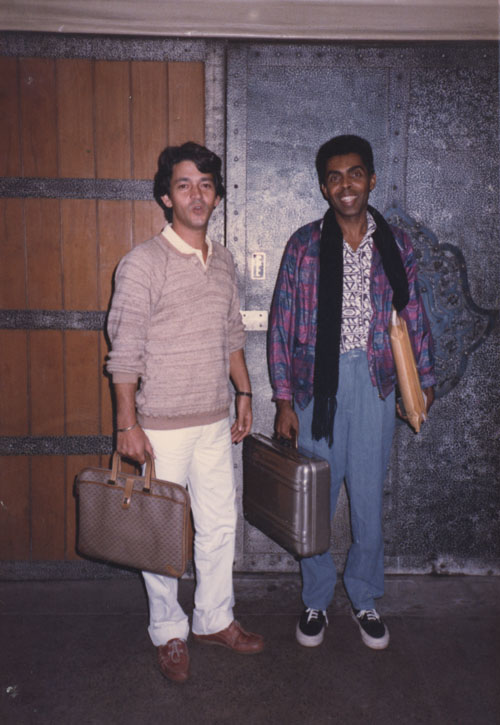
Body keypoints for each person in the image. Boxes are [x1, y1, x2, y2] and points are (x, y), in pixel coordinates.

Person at [268, 135, 435, 650]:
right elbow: (281, 324)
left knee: (366, 500)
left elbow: (412, 313)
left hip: (375, 381)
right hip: (316, 386)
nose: (346, 185)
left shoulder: (396, 245)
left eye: (355, 174)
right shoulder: (303, 245)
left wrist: (423, 382)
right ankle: (316, 598)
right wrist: (283, 400)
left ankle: (364, 596)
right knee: (315, 501)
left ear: (372, 180)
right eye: (335, 177)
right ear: (324, 187)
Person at [106, 141, 264, 684]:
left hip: (214, 422)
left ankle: (213, 618)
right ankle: (168, 630)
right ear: (166, 197)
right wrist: (127, 424)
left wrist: (245, 393)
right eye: (184, 185)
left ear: (216, 196)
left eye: (205, 185)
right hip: (161, 428)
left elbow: (231, 335)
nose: (196, 195)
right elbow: (124, 351)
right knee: (160, 533)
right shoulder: (142, 263)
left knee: (218, 524)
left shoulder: (223, 261)